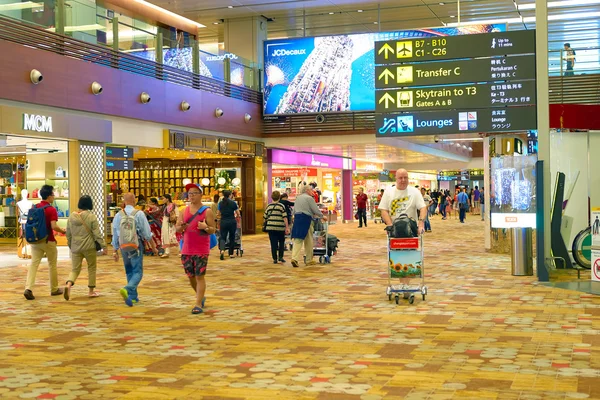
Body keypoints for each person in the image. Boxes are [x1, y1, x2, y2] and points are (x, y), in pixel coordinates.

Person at [176, 183, 216, 315]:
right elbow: (177, 229)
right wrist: (181, 227)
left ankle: (198, 303)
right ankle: (201, 296)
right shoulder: (184, 211)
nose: (191, 196)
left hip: (201, 249)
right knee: (191, 276)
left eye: (194, 193)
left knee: (199, 276)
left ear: (200, 195)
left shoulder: (207, 211)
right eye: (189, 193)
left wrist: (205, 227)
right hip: (186, 248)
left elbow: (212, 230)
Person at [24, 185, 66, 300]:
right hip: (48, 240)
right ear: (48, 196)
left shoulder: (35, 207)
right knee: (52, 264)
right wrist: (62, 230)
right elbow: (53, 226)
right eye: (53, 194)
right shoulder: (51, 209)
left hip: (36, 240)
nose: (54, 196)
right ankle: (54, 289)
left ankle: (28, 288)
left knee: (34, 264)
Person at [112, 193, 154, 307]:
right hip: (136, 245)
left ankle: (133, 297)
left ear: (124, 201)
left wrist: (115, 249)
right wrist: (153, 246)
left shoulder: (118, 215)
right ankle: (127, 288)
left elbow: (115, 233)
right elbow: (146, 233)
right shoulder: (139, 214)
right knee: (138, 271)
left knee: (129, 269)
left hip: (123, 245)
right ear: (134, 201)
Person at [64, 195, 107, 300]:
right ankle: (91, 291)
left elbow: (68, 234)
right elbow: (97, 234)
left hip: (75, 247)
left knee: (75, 269)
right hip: (89, 247)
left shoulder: (71, 217)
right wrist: (103, 246)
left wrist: (71, 245)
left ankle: (68, 284)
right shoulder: (91, 217)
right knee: (91, 268)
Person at [291, 182, 323, 268]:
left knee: (298, 239)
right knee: (308, 239)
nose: (312, 191)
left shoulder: (298, 198)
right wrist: (322, 216)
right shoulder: (309, 198)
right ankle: (309, 259)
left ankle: (294, 258)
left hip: (297, 218)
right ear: (307, 190)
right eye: (311, 190)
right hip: (306, 219)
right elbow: (315, 209)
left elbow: (294, 210)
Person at [263, 191, 290, 264]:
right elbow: (285, 217)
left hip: (271, 228)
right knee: (281, 242)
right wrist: (287, 227)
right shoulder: (281, 206)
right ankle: (280, 257)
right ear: (279, 197)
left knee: (273, 243)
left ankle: (274, 258)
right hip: (280, 227)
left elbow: (265, 217)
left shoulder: (269, 206)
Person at [218, 189, 239, 260]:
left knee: (222, 237)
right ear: (230, 195)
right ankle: (231, 253)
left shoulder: (220, 203)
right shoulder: (233, 203)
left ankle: (222, 250)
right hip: (232, 221)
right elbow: (238, 213)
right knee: (232, 237)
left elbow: (218, 213)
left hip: (223, 221)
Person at [159, 194, 178, 258]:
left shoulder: (173, 205)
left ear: (167, 199)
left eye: (163, 198)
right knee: (165, 236)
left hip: (170, 222)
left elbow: (177, 213)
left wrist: (175, 220)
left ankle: (181, 250)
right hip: (165, 221)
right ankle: (167, 252)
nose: (162, 200)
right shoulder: (164, 206)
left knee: (172, 236)